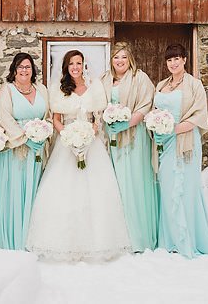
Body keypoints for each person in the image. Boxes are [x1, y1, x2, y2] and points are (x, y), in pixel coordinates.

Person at [26, 50, 131, 261]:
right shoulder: (59, 89)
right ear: (66, 66)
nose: (75, 67)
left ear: (84, 65)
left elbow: (98, 117)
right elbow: (56, 119)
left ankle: (98, 242)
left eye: (79, 63)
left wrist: (91, 131)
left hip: (92, 144)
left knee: (97, 192)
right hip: (66, 143)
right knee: (63, 192)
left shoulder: (95, 87)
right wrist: (67, 135)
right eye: (71, 63)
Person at [153, 43, 208, 257]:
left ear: (184, 60)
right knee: (167, 188)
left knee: (186, 190)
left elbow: (199, 116)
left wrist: (173, 129)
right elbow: (155, 111)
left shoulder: (194, 85)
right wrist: (157, 127)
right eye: (169, 60)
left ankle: (189, 238)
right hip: (165, 143)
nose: (173, 63)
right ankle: (171, 239)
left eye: (177, 59)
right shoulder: (161, 85)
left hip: (185, 142)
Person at [101, 42, 158, 252]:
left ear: (130, 59)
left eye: (124, 57)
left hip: (134, 137)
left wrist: (127, 123)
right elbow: (98, 104)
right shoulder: (105, 79)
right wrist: (109, 123)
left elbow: (146, 104)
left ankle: (139, 236)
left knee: (134, 181)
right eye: (116, 57)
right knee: (116, 183)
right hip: (113, 139)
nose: (120, 61)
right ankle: (120, 236)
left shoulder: (139, 78)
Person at [0, 52, 50, 250]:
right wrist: (25, 139)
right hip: (17, 149)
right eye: (20, 67)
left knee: (36, 192)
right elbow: (5, 117)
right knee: (16, 192)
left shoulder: (41, 89)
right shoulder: (7, 90)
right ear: (14, 70)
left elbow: (49, 115)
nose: (24, 70)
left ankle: (34, 239)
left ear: (33, 69)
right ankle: (16, 239)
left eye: (27, 66)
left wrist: (44, 134)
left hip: (38, 148)